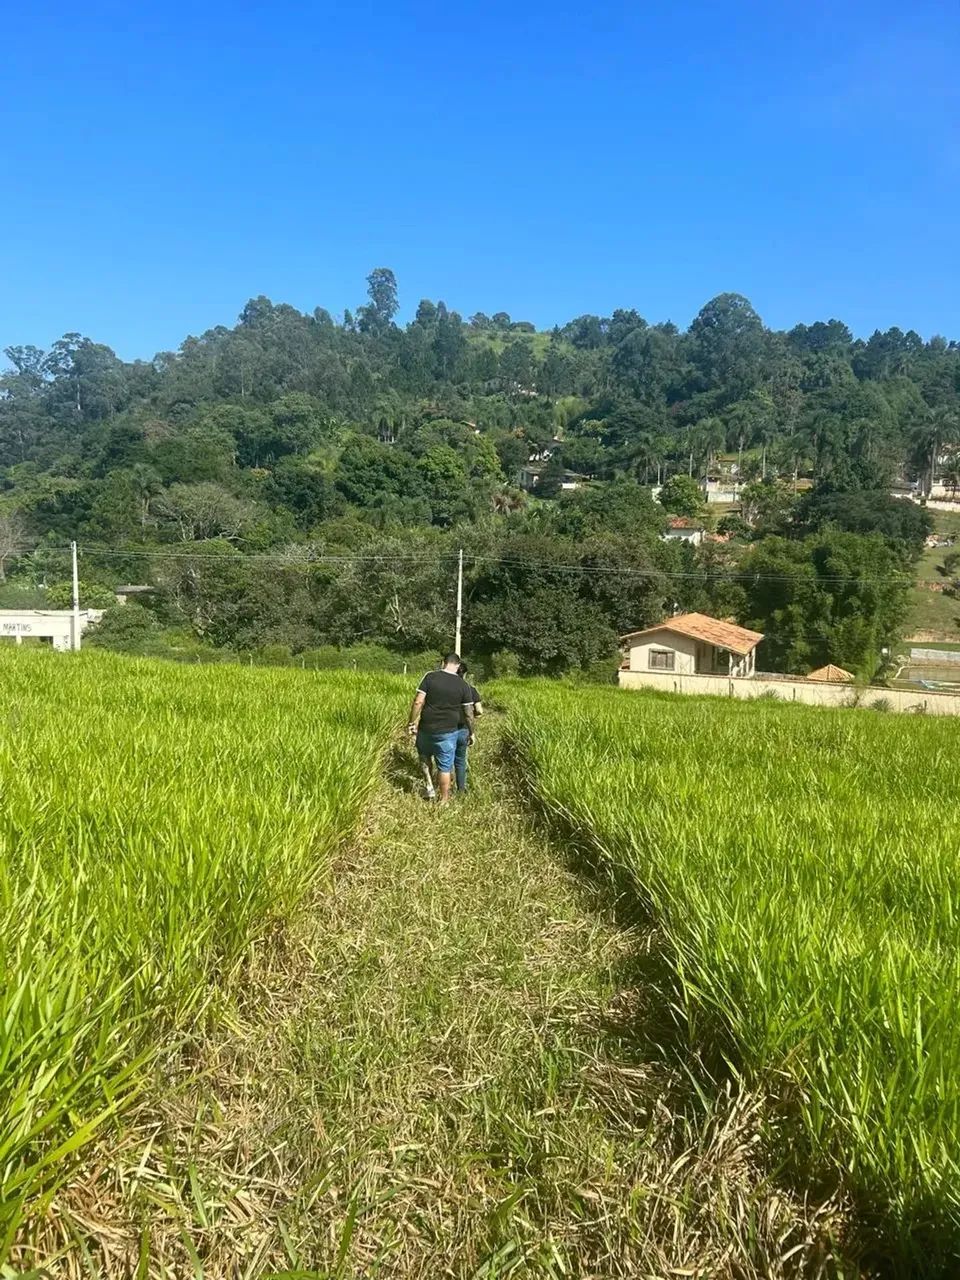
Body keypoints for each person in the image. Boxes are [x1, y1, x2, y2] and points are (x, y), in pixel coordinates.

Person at [407, 653, 476, 804]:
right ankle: (444, 800)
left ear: (442, 663)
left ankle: (429, 787)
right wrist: (471, 732)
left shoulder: (430, 677)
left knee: (424, 756)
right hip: (448, 731)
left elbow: (418, 702)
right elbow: (469, 713)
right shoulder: (463, 685)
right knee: (444, 766)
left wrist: (411, 722)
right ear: (458, 666)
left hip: (426, 727)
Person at [454, 663, 483, 795]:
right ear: (465, 674)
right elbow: (479, 710)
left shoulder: (447, 689)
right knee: (460, 760)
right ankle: (461, 789)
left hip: (446, 728)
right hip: (463, 728)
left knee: (446, 760)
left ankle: (444, 789)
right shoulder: (470, 689)